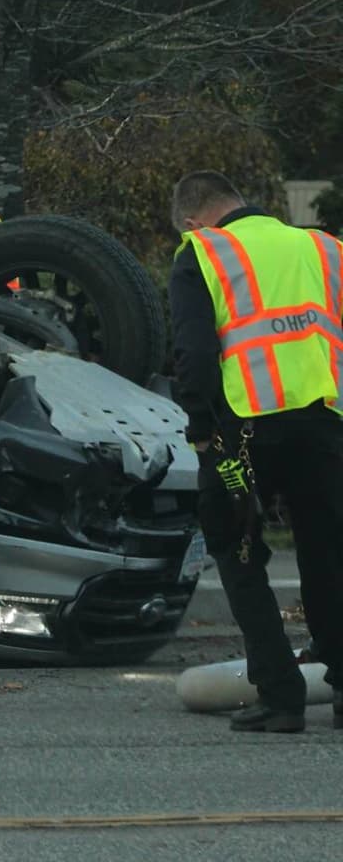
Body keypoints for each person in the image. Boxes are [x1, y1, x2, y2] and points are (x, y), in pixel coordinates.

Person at [169, 170, 343, 733]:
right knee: (328, 552)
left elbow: (194, 353)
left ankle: (281, 696)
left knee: (240, 554)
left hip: (242, 431)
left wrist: (200, 427)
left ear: (195, 221)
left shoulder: (204, 252)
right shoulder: (322, 247)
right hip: (325, 425)